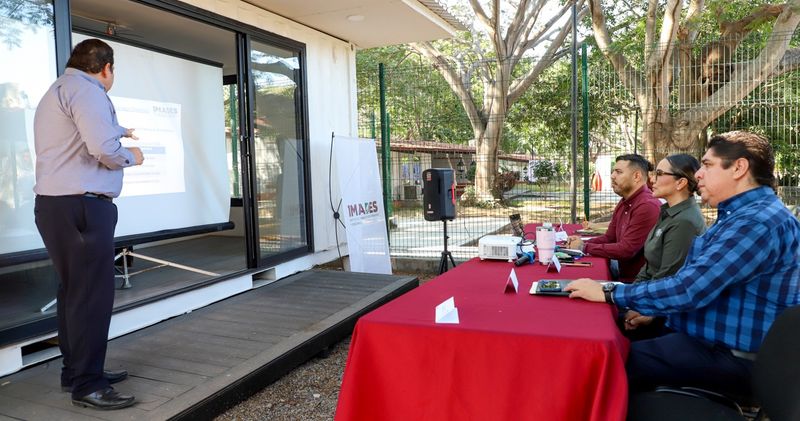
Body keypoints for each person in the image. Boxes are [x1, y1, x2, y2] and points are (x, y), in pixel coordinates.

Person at [565, 131, 800, 397]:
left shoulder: (756, 223)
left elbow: (688, 289)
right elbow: (699, 286)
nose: (698, 174)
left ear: (739, 167)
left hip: (729, 356)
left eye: (708, 165)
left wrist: (609, 292)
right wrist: (654, 309)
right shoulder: (743, 216)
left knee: (603, 362)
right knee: (603, 337)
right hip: (707, 338)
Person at [33, 38, 144, 410]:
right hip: (82, 207)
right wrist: (133, 155)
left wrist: (118, 130)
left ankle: (76, 371)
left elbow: (81, 139)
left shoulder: (60, 89)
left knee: (74, 294)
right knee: (92, 296)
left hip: (57, 206)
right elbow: (101, 150)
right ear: (106, 68)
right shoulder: (89, 91)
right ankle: (88, 384)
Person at [622, 154, 706, 336]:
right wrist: (631, 298)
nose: (652, 178)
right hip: (648, 299)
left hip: (662, 315)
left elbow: (668, 276)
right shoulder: (669, 212)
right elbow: (650, 265)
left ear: (680, 183)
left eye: (659, 173)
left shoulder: (684, 222)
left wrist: (638, 305)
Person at [566, 154, 661, 280]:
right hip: (623, 274)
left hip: (637, 284)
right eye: (613, 172)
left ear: (636, 176)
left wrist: (584, 247)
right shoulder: (625, 201)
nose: (612, 176)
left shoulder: (647, 206)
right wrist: (581, 242)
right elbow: (610, 238)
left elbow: (626, 250)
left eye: (618, 172)